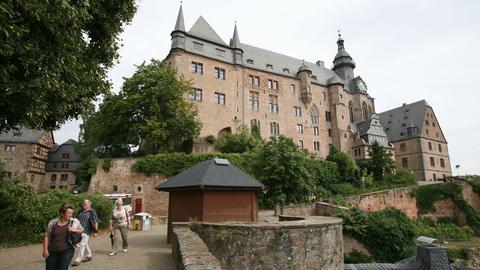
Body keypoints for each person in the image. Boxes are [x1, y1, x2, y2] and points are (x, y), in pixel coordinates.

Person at [43, 203, 84, 270]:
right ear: (62, 213)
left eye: (72, 213)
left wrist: (74, 229)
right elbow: (46, 236)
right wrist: (45, 250)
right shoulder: (52, 222)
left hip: (67, 250)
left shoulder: (74, 221)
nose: (71, 215)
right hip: (52, 250)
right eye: (69, 213)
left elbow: (82, 230)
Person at [71, 199, 99, 266]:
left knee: (82, 245)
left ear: (89, 204)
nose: (83, 204)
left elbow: (95, 222)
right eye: (83, 203)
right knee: (85, 243)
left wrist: (95, 231)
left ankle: (77, 260)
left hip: (87, 231)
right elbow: (76, 219)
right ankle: (89, 255)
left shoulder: (92, 212)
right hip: (79, 230)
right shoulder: (81, 211)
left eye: (85, 203)